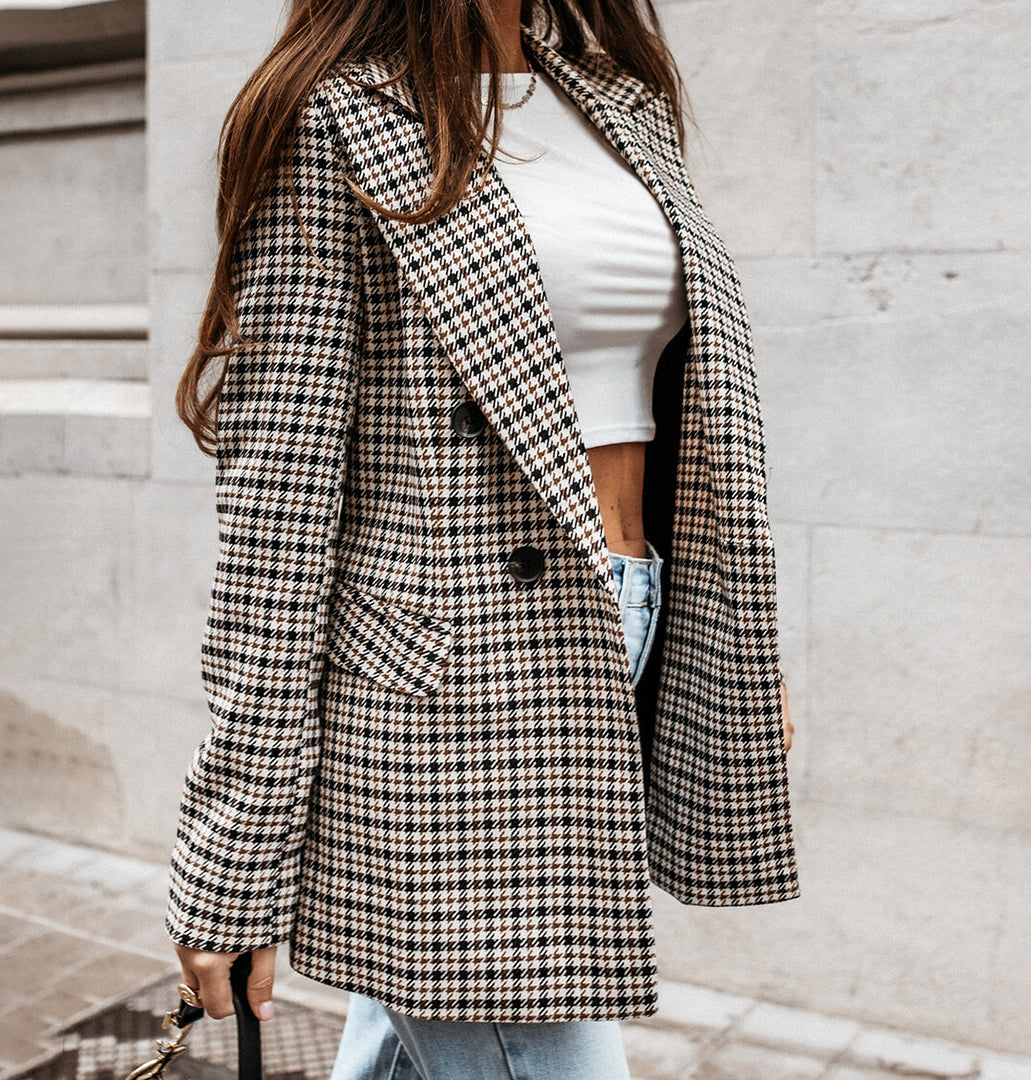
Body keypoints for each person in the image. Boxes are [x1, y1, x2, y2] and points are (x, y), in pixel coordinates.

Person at [166, 1, 799, 1077]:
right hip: (450, 692)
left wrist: (737, 650)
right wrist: (231, 854)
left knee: (421, 1037)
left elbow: (693, 414)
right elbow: (277, 516)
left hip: (628, 616)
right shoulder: (332, 119)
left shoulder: (619, 101)